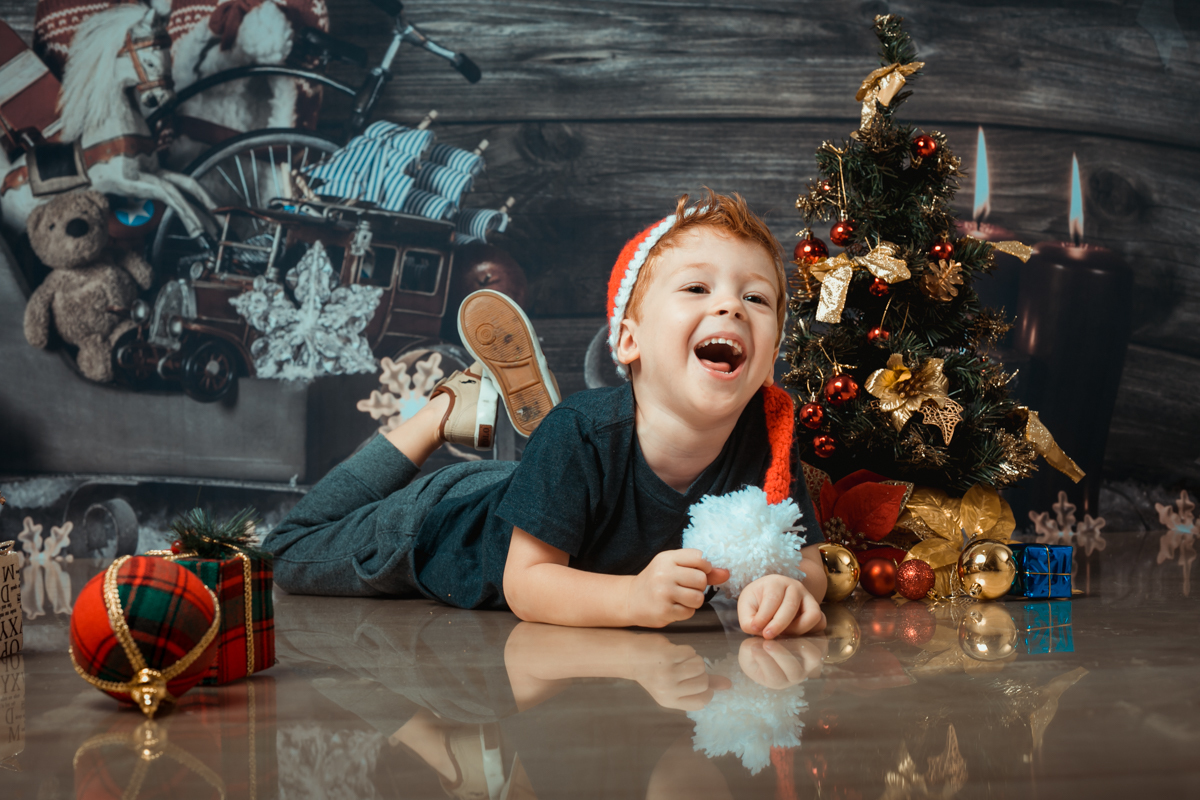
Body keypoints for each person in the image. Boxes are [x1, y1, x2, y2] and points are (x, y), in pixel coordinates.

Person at [264, 189, 828, 637]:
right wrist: (631, 597)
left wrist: (789, 587)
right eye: (698, 288)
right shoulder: (582, 430)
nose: (730, 305)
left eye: (756, 298)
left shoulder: (768, 433)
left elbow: (808, 560)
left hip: (547, 494)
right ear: (628, 342)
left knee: (564, 463)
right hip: (440, 526)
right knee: (285, 552)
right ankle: (441, 413)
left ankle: (519, 450)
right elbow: (526, 583)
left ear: (772, 352)